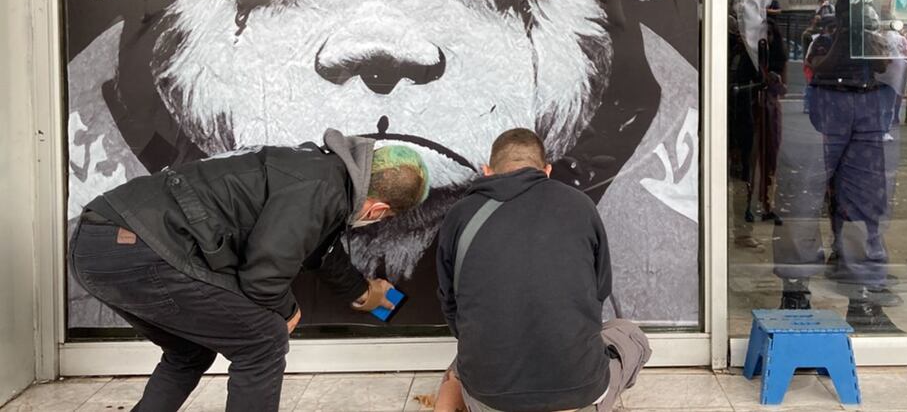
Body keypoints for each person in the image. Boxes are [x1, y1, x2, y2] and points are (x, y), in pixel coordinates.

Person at [69, 130, 428, 411]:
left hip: (101, 241)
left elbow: (320, 249)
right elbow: (265, 275)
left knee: (189, 352)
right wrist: (288, 311)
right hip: (139, 247)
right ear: (378, 208)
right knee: (264, 341)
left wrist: (364, 293)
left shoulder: (322, 173)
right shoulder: (322, 189)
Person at [435, 129, 650, 412]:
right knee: (630, 334)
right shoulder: (580, 205)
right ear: (546, 170)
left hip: (490, 398)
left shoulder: (460, 214)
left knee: (467, 356)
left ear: (487, 171)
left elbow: (451, 304)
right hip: (577, 395)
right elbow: (600, 290)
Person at [772, 0, 899, 332]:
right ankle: (796, 290)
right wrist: (843, 38)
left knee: (864, 205)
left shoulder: (871, 39)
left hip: (867, 109)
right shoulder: (825, 40)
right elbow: (819, 71)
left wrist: (868, 39)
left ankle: (862, 295)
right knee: (802, 200)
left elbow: (886, 65)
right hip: (826, 112)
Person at [746, 0, 787, 224]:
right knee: (750, 159)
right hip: (752, 107)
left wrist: (775, 80)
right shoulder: (749, 57)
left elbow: (784, 89)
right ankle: (748, 204)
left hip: (770, 108)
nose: (767, 39)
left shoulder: (778, 57)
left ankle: (767, 203)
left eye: (770, 34)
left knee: (770, 158)